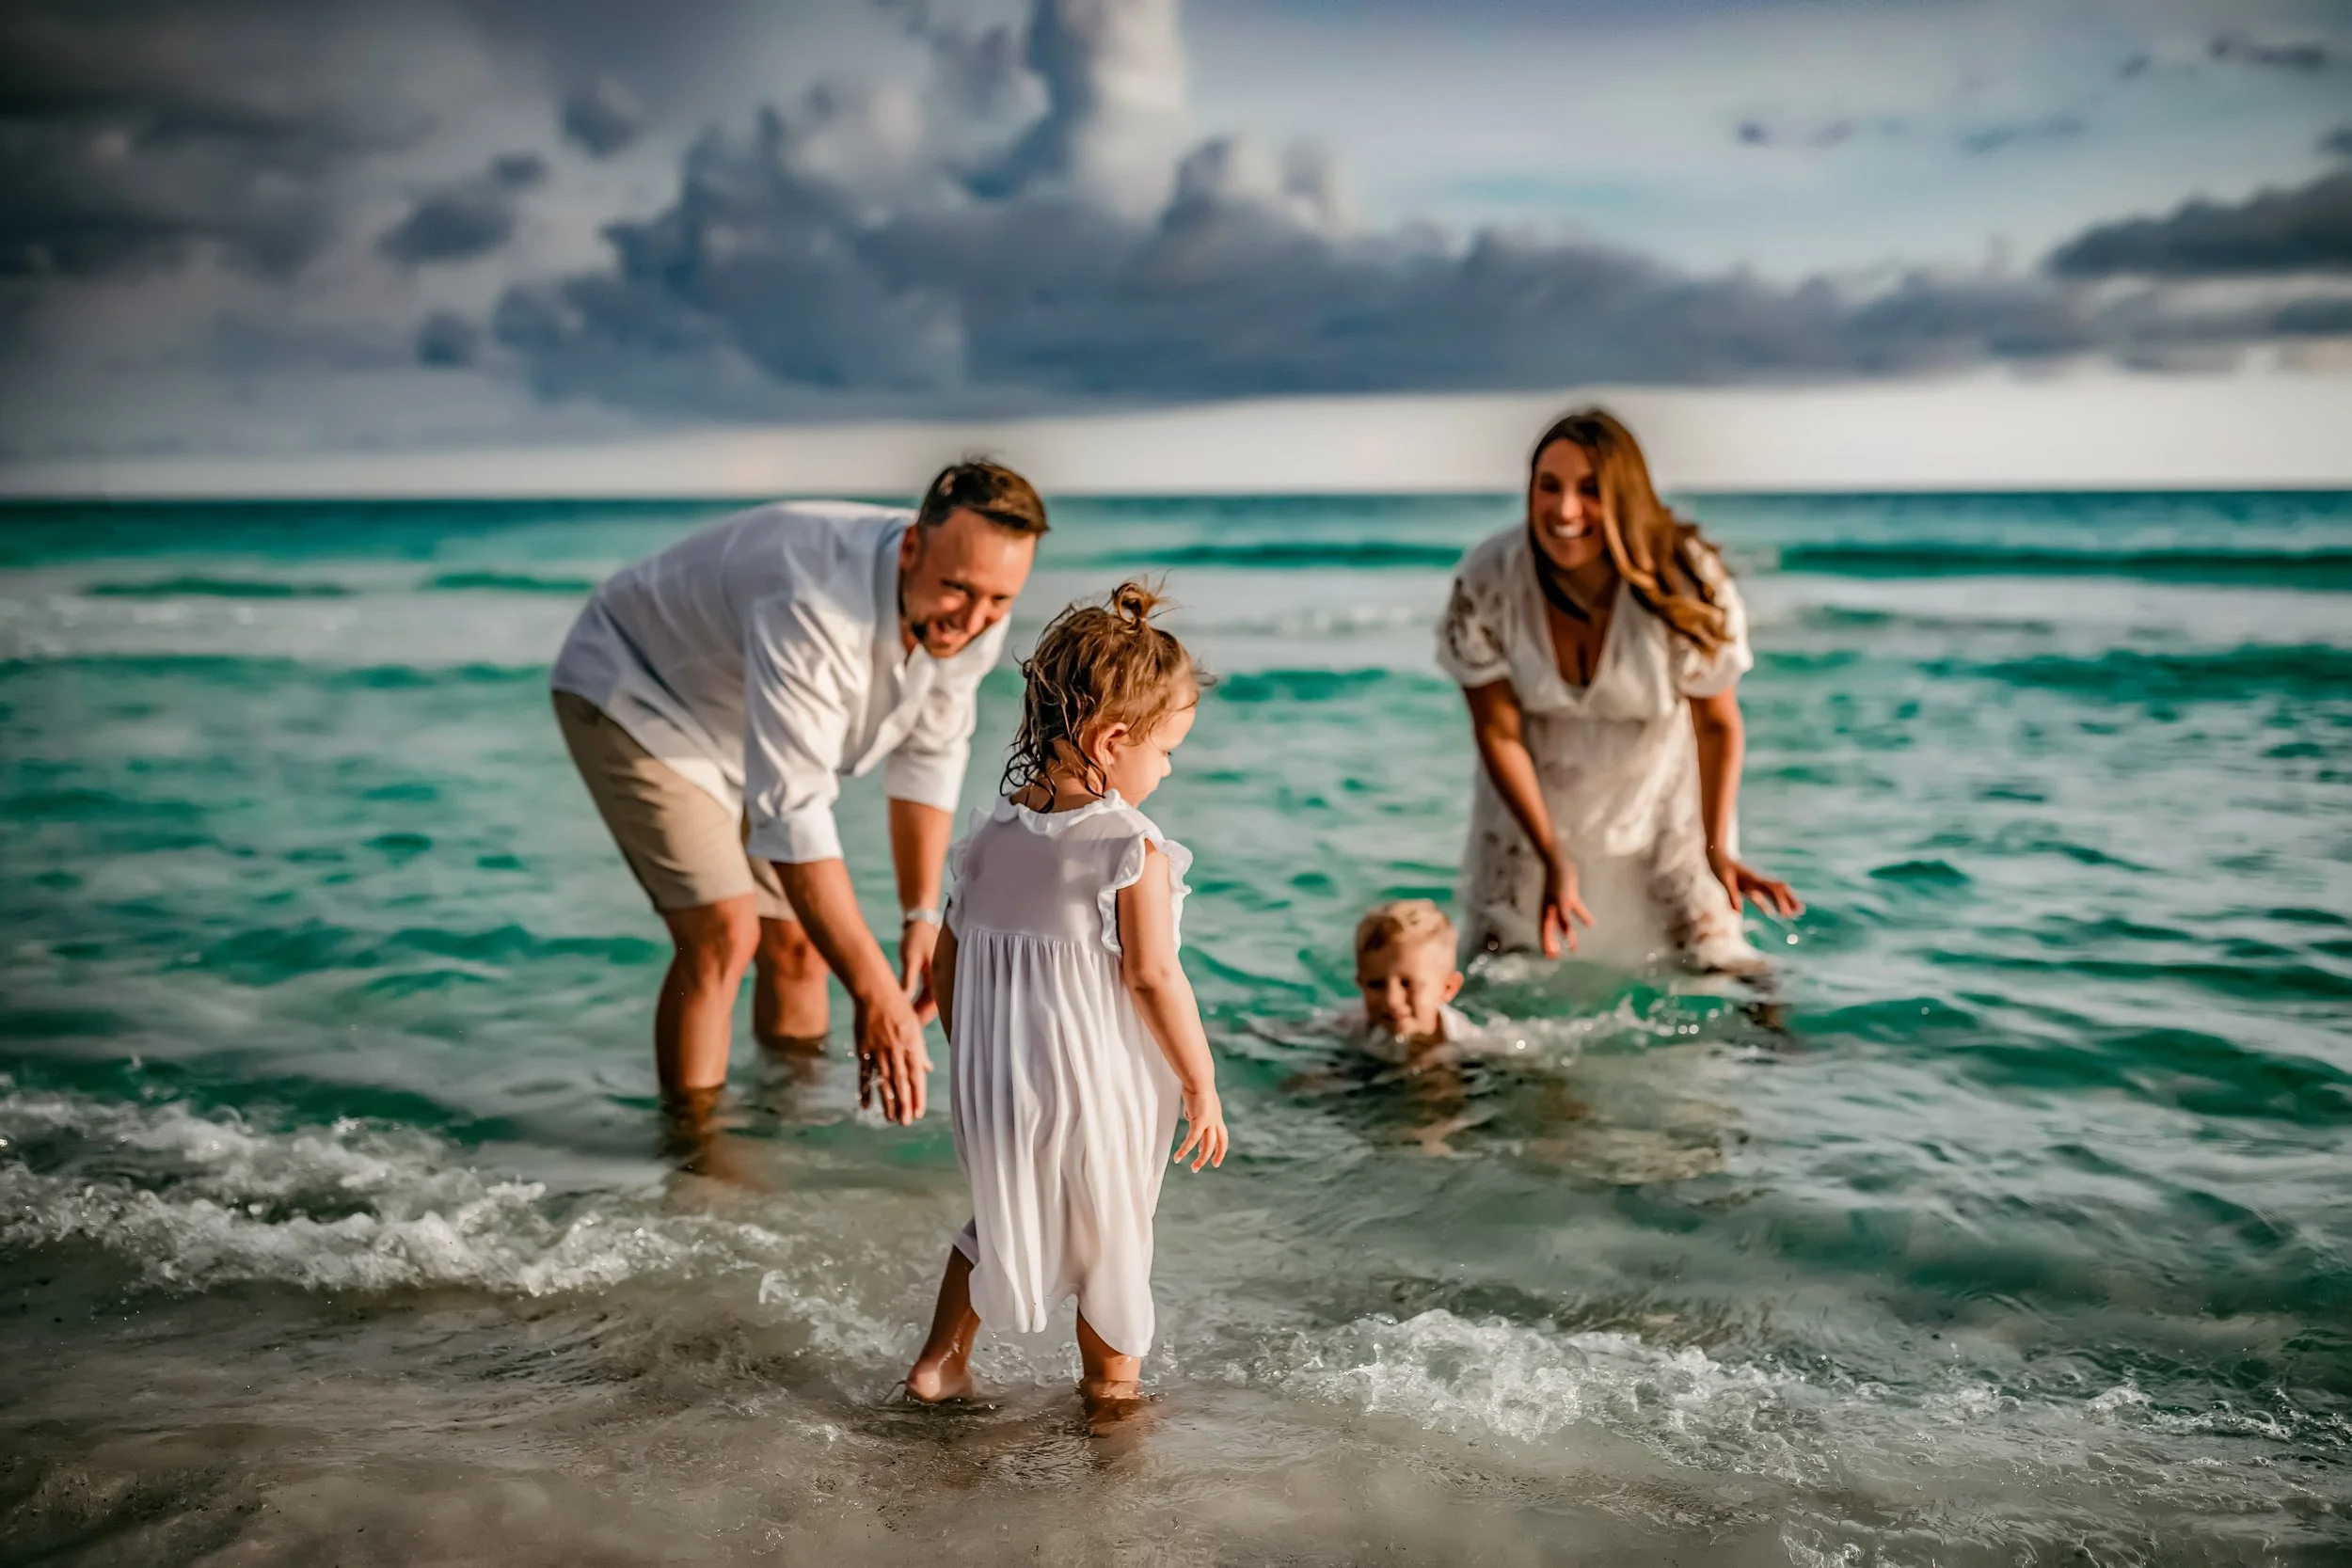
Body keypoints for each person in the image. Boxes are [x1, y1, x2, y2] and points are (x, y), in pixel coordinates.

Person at [549, 461, 1046, 1121]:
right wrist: (876, 995)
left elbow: (929, 753)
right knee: (724, 932)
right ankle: (696, 1158)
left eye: (999, 600)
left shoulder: (974, 606)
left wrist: (922, 918)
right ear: (909, 547)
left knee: (802, 945)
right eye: (958, 589)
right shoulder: (810, 603)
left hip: (739, 720)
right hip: (634, 689)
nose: (977, 618)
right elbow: (794, 811)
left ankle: (788, 1128)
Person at [903, 582, 1229, 1415]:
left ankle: (940, 1361)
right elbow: (1153, 976)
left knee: (998, 1215)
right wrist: (1199, 1082)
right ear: (1114, 739)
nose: (1168, 767)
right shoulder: (1130, 848)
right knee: (1111, 1230)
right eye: (1167, 750)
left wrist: (972, 1049)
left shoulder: (984, 837)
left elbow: (949, 957)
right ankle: (1111, 1386)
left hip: (999, 1081)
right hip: (1096, 1087)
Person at [1437, 409, 1801, 973]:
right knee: (1493, 969)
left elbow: (1715, 723)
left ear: (1625, 495)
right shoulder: (1490, 579)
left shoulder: (1685, 579)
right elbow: (1498, 729)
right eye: (1548, 486)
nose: (1565, 511)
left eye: (1591, 490)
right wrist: (1551, 853)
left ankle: (1795, 1063)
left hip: (1661, 798)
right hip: (1528, 805)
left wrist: (1716, 848)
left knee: (1718, 963)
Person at [1343, 899, 1471, 1068]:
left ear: (1448, 988)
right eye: (1376, 984)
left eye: (1407, 984)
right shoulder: (1352, 1028)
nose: (1391, 1000)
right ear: (1361, 984)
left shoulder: (1470, 1045)